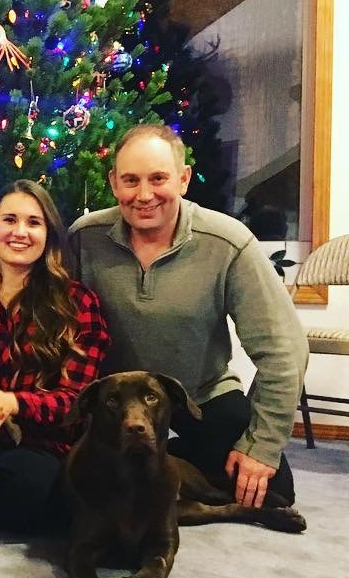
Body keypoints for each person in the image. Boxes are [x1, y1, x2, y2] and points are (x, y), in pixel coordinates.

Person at [69, 123, 307, 509]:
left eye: (158, 178)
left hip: (200, 396)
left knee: (272, 491)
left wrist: (261, 447)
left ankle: (167, 468)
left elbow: (284, 351)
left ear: (183, 179)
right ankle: (158, 473)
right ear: (114, 182)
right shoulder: (84, 237)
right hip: (117, 407)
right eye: (130, 180)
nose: (144, 195)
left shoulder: (229, 242)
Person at [0, 179, 110, 532]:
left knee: (20, 488)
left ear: (49, 235)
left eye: (34, 222)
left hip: (39, 443)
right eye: (9, 220)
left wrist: (13, 403)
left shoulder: (78, 303)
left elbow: (77, 402)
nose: (20, 232)